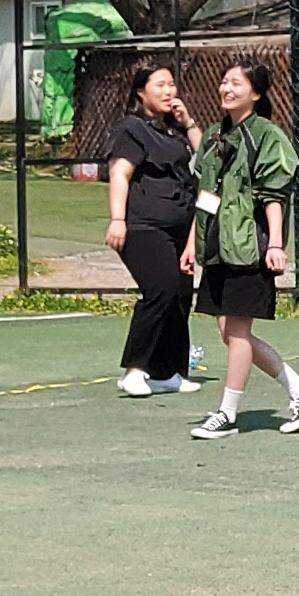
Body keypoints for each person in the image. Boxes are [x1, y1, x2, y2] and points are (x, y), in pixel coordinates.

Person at [186, 62, 299, 440]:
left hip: (251, 248)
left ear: (256, 93)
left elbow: (273, 195)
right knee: (229, 333)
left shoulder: (267, 136)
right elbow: (207, 195)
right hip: (218, 247)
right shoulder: (214, 136)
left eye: (236, 82)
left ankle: (226, 413)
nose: (226, 87)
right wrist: (190, 243)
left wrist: (275, 244)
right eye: (224, 80)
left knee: (239, 332)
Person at [104, 61, 204, 398]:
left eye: (171, 84)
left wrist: (188, 121)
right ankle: (135, 370)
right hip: (145, 226)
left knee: (180, 296)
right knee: (160, 289)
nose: (168, 91)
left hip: (180, 227)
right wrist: (118, 219)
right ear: (140, 92)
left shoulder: (173, 130)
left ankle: (168, 372)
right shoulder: (132, 128)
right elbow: (120, 174)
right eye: (160, 85)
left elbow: (206, 157)